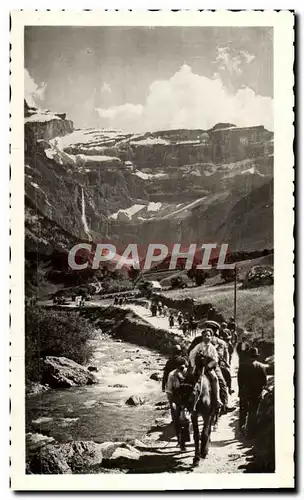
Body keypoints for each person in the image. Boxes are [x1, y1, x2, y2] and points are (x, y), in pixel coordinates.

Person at [238, 347, 268, 437]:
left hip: (244, 392)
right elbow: (264, 382)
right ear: (256, 356)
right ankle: (251, 432)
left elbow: (239, 381)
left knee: (243, 411)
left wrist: (240, 391)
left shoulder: (242, 366)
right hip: (256, 393)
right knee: (253, 412)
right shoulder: (261, 366)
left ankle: (241, 430)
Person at [189, 329, 222, 409]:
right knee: (190, 378)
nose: (207, 337)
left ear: (211, 337)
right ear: (202, 337)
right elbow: (192, 355)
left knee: (215, 378)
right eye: (205, 336)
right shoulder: (199, 346)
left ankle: (217, 399)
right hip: (199, 367)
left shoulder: (212, 348)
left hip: (208, 369)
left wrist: (209, 366)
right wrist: (194, 365)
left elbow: (215, 359)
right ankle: (188, 400)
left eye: (208, 335)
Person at [162, 346, 183, 417]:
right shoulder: (183, 360)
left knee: (171, 402)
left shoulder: (169, 362)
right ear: (180, 352)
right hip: (181, 383)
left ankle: (174, 418)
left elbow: (165, 374)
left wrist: (163, 386)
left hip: (170, 383)